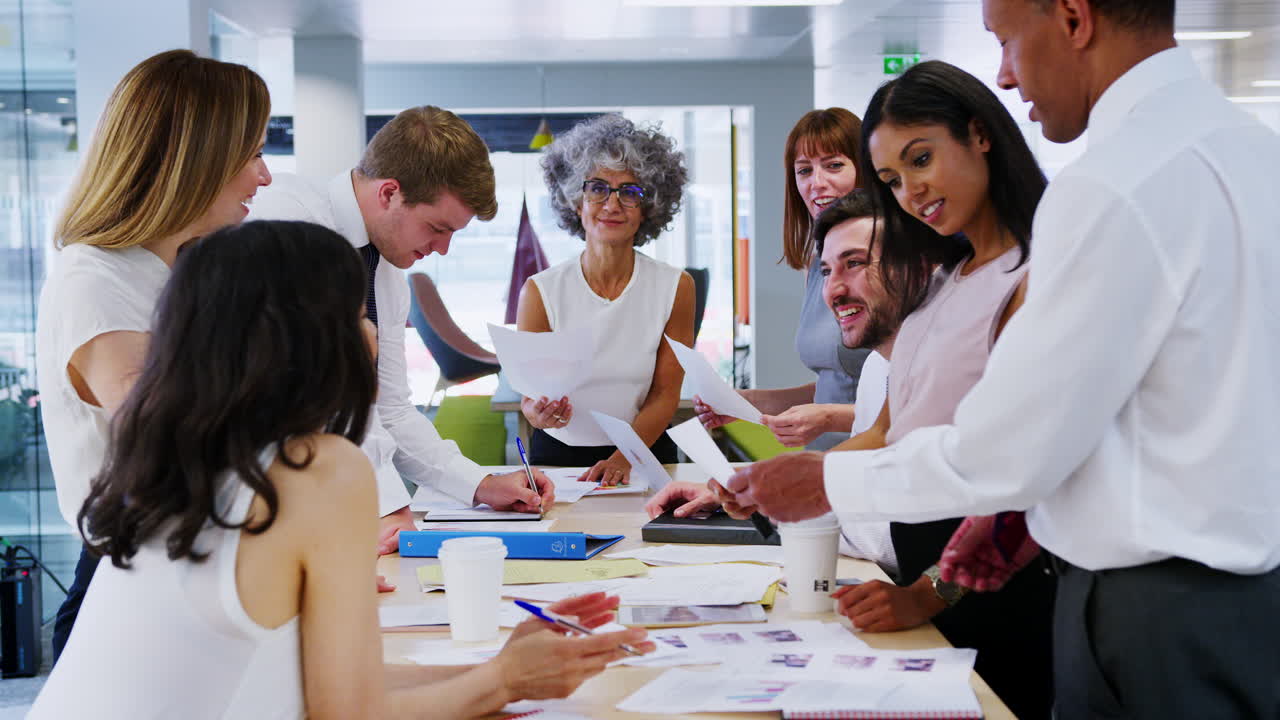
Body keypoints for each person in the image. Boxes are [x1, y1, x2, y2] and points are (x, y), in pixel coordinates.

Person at [724, 0, 1280, 717]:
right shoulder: (1255, 152)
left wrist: (828, 478)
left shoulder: (1109, 184)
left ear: (1074, 18)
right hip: (1243, 599)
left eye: (1007, 39)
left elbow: (1005, 454)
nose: (1007, 75)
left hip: (1145, 612)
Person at [29, 220, 652, 719]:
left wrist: (491, 670)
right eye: (359, 316)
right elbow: (346, 711)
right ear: (305, 338)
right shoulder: (319, 471)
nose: (372, 336)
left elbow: (318, 679)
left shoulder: (172, 456)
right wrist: (504, 681)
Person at [720, 61, 1059, 719]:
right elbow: (885, 432)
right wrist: (775, 483)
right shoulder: (945, 285)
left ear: (981, 135)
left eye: (921, 160)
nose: (911, 191)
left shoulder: (1032, 276)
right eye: (893, 179)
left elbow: (1019, 478)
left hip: (996, 596)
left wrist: (928, 594)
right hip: (928, 574)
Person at [36, 49, 273, 663]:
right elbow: (180, 440)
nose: (264, 176)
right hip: (129, 596)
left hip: (185, 575)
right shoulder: (96, 278)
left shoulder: (171, 271)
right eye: (252, 154)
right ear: (195, 159)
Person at [250, 106, 555, 557]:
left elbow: (388, 407)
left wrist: (481, 483)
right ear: (390, 192)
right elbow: (319, 400)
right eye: (437, 228)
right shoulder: (290, 223)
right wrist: (386, 504)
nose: (443, 250)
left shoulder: (386, 266)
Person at [517, 114, 696, 486]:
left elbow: (666, 393)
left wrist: (624, 458)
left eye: (630, 192)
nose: (612, 205)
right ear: (576, 200)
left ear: (648, 207)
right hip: (558, 462)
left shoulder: (675, 286)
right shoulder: (540, 291)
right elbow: (530, 399)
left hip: (644, 452)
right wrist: (538, 414)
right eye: (598, 188)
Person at [693, 108, 869, 450]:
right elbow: (832, 387)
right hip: (823, 462)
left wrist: (828, 418)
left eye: (834, 165)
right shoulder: (817, 265)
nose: (816, 182)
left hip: (874, 459)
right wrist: (745, 402)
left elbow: (909, 402)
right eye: (804, 170)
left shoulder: (893, 262)